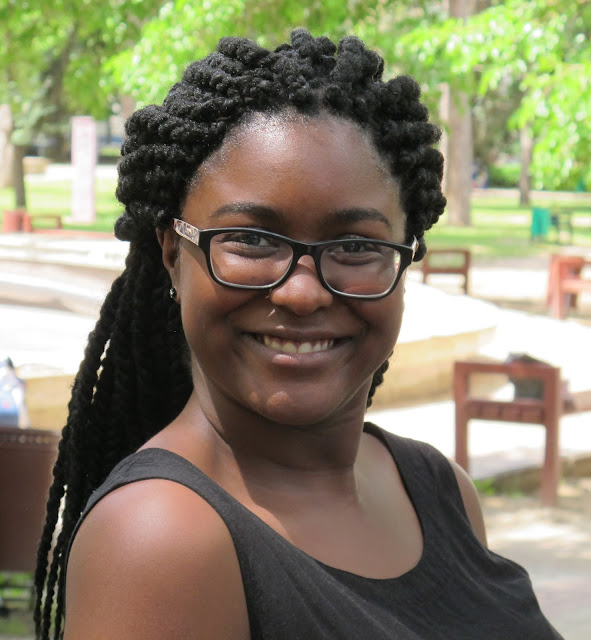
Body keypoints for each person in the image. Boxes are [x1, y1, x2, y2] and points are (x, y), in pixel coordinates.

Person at [34, 30, 562, 640]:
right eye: (251, 240)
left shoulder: (440, 491)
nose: (303, 293)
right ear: (173, 255)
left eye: (356, 246)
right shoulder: (160, 537)